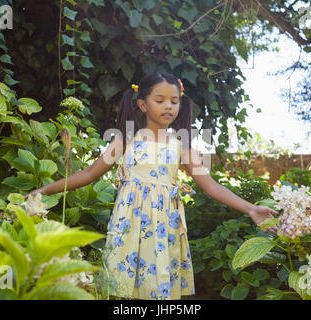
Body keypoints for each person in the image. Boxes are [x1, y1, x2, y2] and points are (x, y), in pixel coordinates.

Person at [25, 72, 279, 300]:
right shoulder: (124, 140)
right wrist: (43, 190)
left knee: (157, 290)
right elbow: (89, 173)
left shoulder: (182, 146)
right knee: (120, 290)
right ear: (142, 104)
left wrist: (251, 209)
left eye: (174, 100)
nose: (168, 106)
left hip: (163, 230)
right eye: (160, 100)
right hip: (128, 226)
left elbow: (211, 187)